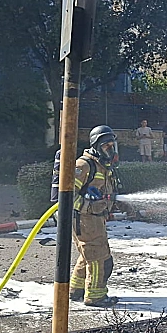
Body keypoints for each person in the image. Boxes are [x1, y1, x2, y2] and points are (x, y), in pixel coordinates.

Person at [69, 125, 121, 307]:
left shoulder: (103, 166)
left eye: (112, 145)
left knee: (88, 254)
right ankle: (96, 296)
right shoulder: (83, 166)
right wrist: (89, 206)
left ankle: (76, 289)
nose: (111, 150)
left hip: (95, 219)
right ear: (96, 145)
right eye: (106, 146)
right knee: (100, 258)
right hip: (84, 220)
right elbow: (68, 196)